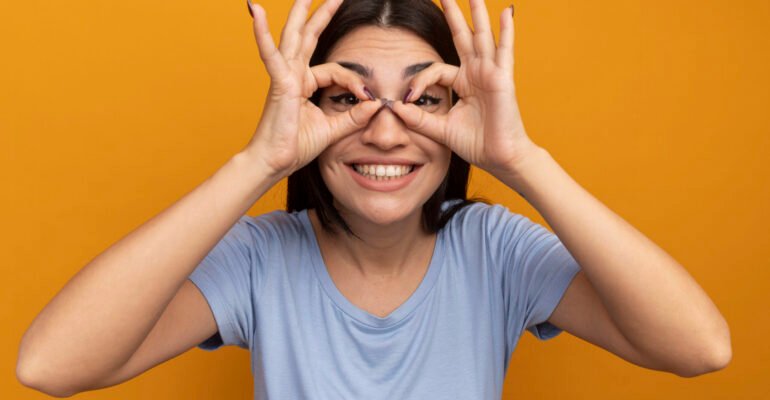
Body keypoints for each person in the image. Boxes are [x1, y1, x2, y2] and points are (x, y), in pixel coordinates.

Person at [17, 0, 731, 398]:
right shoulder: (262, 258)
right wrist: (258, 160)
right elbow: (48, 367)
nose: (387, 133)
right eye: (345, 98)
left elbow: (699, 348)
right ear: (308, 115)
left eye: (424, 100)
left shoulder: (493, 248)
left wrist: (522, 161)